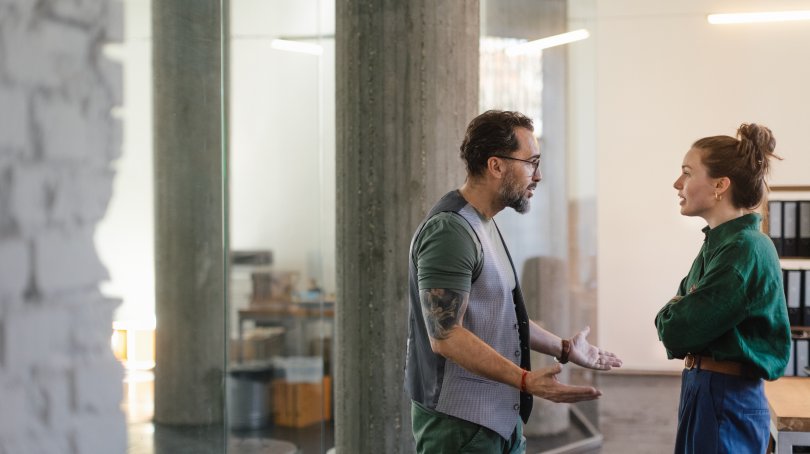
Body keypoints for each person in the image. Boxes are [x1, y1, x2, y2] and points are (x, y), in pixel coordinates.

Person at [405, 110, 623, 453]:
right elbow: (446, 336)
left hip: (498, 421)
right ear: (496, 166)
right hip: (459, 427)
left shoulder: (482, 223)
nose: (538, 175)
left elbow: (502, 317)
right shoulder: (450, 232)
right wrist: (526, 380)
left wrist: (565, 348)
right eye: (531, 162)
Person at [655, 123, 792, 453]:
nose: (677, 183)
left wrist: (676, 308)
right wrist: (676, 311)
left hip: (725, 395)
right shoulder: (719, 244)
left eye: (688, 172)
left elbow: (677, 329)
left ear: (720, 185)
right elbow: (676, 319)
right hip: (705, 389)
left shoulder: (743, 249)